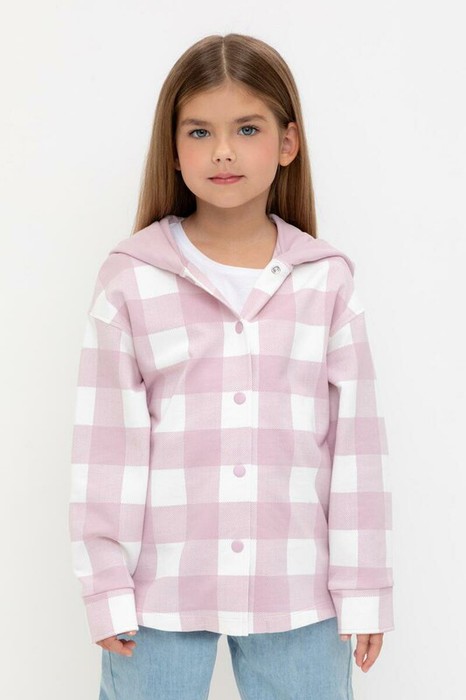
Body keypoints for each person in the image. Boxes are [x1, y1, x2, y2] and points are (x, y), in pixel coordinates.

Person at [68, 32, 394, 700]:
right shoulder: (131, 279)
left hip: (298, 588)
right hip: (160, 592)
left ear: (287, 142)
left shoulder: (326, 281)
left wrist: (364, 587)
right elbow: (107, 448)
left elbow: (356, 447)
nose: (222, 150)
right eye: (199, 131)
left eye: (247, 129)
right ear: (173, 148)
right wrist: (105, 585)